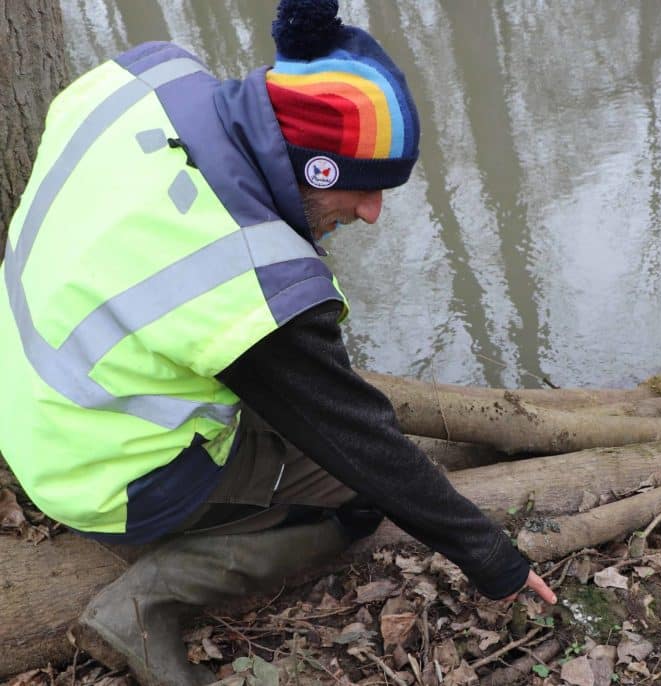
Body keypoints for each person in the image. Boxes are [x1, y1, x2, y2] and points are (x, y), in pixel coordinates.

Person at [0, 0, 555, 683]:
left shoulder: (138, 81)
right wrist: (492, 559)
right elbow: (362, 445)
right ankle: (143, 604)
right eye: (364, 189)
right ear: (315, 168)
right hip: (106, 475)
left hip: (30, 398)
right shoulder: (251, 280)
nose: (372, 213)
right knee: (359, 499)